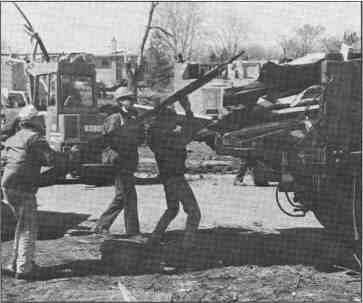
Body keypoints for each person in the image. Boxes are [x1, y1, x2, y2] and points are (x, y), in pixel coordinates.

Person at [1, 105, 56, 280]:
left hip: (8, 187)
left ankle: (14, 263)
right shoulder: (36, 139)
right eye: (39, 118)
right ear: (34, 121)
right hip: (24, 186)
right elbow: (50, 159)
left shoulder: (14, 138)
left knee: (21, 225)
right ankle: (24, 268)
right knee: (28, 228)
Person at [147, 97, 201, 254]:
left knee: (172, 209)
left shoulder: (155, 136)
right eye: (173, 120)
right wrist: (188, 109)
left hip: (167, 177)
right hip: (175, 178)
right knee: (194, 212)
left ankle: (154, 238)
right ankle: (187, 246)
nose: (176, 123)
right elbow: (190, 131)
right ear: (166, 121)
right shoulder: (169, 139)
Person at [94, 89, 144, 236]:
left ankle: (131, 230)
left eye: (131, 98)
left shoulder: (133, 118)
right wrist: (124, 140)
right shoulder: (115, 118)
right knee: (124, 195)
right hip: (119, 160)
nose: (131, 101)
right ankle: (103, 226)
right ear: (120, 101)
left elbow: (141, 138)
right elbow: (108, 139)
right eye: (127, 98)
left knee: (128, 196)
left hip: (129, 160)